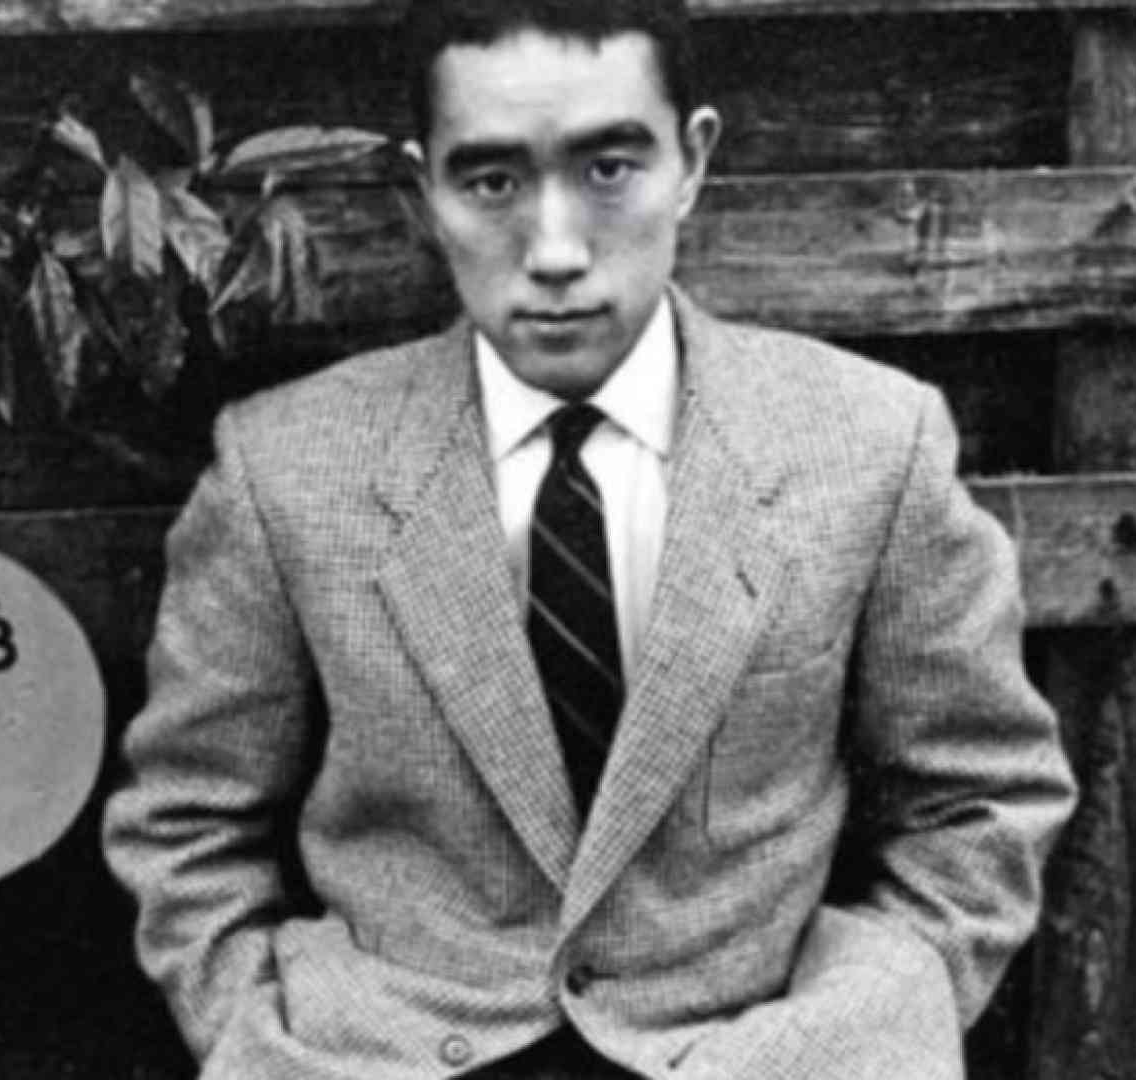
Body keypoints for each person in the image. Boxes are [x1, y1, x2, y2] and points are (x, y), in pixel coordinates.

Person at [103, 1, 1078, 1076]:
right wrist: (255, 1035)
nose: (556, 250)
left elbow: (982, 797)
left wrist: (861, 1023)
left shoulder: (868, 443)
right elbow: (186, 824)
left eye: (609, 169)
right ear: (421, 192)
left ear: (691, 163)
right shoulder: (288, 467)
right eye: (491, 181)